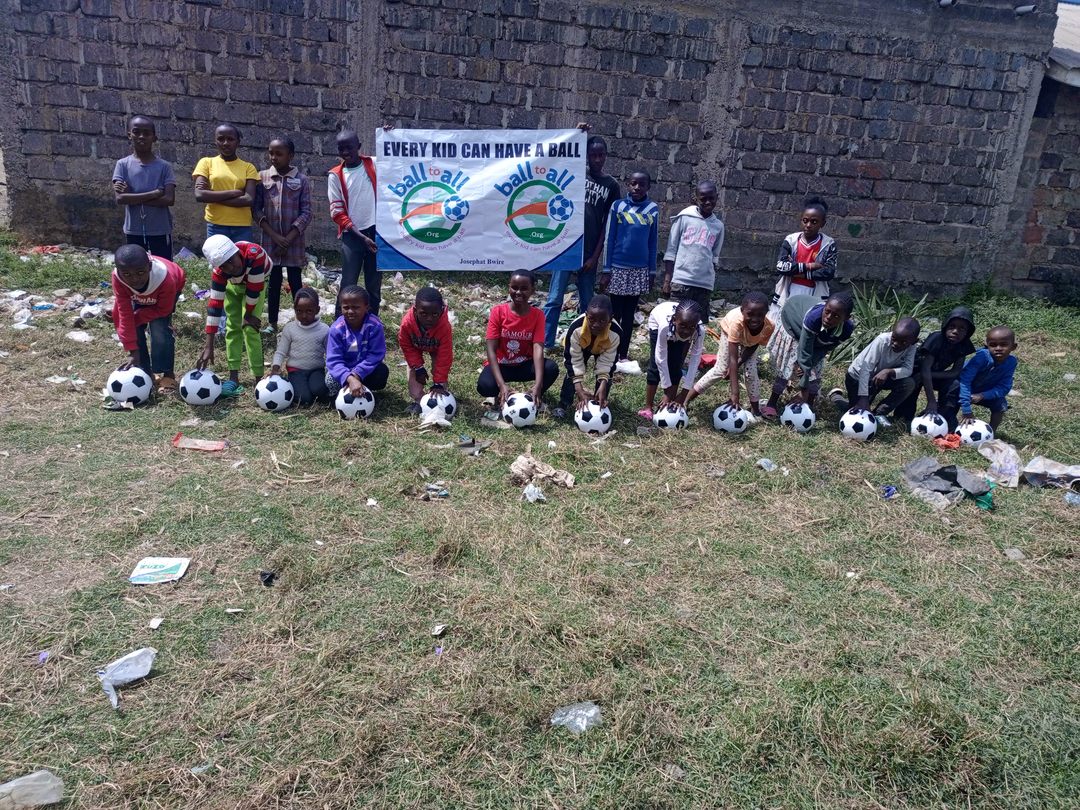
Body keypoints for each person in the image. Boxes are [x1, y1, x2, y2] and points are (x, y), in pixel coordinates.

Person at [543, 133, 620, 349]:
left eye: (601, 155)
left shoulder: (611, 185)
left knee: (588, 303)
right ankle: (546, 342)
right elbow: (561, 156)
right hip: (566, 249)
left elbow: (607, 225)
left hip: (589, 252)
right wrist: (576, 132)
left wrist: (595, 257)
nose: (597, 159)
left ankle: (585, 343)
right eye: (593, 155)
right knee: (554, 298)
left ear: (606, 156)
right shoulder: (575, 174)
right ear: (586, 156)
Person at [197, 234, 273, 397]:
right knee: (232, 326)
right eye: (224, 266)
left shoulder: (255, 255)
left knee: (250, 328)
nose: (231, 268)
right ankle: (233, 377)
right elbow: (215, 305)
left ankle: (258, 378)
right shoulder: (220, 272)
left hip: (257, 282)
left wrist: (248, 315)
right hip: (234, 285)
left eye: (231, 261)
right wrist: (209, 345)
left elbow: (254, 290)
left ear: (237, 252)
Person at [598, 170, 659, 368]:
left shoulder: (652, 209)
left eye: (642, 184)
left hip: (639, 270)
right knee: (615, 314)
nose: (637, 188)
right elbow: (610, 238)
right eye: (633, 183)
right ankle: (610, 351)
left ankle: (623, 354)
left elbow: (652, 242)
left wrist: (651, 271)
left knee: (629, 314)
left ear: (648, 187)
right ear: (628, 184)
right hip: (618, 268)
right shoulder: (618, 206)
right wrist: (606, 270)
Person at [477, 270, 559, 412]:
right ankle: (500, 394)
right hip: (502, 365)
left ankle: (532, 396)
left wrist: (539, 384)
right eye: (514, 287)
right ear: (509, 287)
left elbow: (538, 349)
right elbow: (491, 349)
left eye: (524, 288)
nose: (518, 292)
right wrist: (501, 384)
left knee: (551, 368)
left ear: (533, 290)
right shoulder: (498, 312)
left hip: (524, 365)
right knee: (485, 386)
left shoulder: (538, 315)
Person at [763, 292, 855, 418]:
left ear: (846, 318)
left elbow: (825, 349)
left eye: (836, 316)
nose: (829, 317)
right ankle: (772, 402)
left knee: (815, 368)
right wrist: (803, 389)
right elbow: (804, 351)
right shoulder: (814, 317)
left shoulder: (847, 329)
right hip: (793, 318)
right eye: (827, 311)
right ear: (824, 307)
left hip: (816, 336)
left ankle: (809, 403)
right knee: (788, 365)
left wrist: (810, 365)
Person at [254, 136, 312, 332]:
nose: (274, 157)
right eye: (271, 153)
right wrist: (275, 237)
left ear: (291, 156)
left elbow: (306, 212)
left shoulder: (302, 180)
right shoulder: (262, 177)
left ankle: (301, 322)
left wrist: (287, 239)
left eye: (279, 154)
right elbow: (256, 210)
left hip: (293, 241)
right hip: (271, 241)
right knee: (273, 281)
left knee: (295, 281)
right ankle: (272, 323)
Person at [110, 244, 186, 394]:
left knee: (159, 327)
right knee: (132, 325)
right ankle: (144, 372)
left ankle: (167, 374)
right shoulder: (119, 279)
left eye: (140, 272)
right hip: (140, 295)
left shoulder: (166, 279)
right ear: (119, 271)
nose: (134, 279)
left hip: (170, 289)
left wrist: (138, 318)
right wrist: (132, 351)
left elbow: (163, 310)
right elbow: (124, 313)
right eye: (127, 274)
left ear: (149, 267)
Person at [685, 291, 774, 417]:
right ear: (742, 311)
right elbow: (732, 358)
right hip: (729, 331)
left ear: (766, 313)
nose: (755, 319)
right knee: (720, 369)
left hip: (750, 343)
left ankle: (755, 410)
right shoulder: (736, 322)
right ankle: (687, 398)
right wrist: (735, 394)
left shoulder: (769, 326)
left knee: (751, 372)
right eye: (750, 314)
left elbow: (755, 343)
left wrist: (740, 362)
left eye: (760, 315)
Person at [766, 197, 837, 355]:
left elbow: (828, 272)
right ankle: (776, 354)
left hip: (814, 293)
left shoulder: (828, 244)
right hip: (789, 289)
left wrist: (795, 268)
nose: (808, 225)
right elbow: (781, 266)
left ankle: (800, 355)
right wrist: (809, 266)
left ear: (822, 223)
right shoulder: (791, 240)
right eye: (805, 220)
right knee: (783, 322)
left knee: (806, 323)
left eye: (814, 222)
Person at [895, 307, 976, 429]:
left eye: (962, 328)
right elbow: (924, 369)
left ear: (968, 332)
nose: (955, 331)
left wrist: (931, 375)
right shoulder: (936, 338)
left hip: (933, 374)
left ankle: (944, 415)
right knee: (913, 385)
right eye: (952, 326)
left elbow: (955, 372)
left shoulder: (964, 344)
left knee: (954, 385)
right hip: (915, 372)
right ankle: (903, 418)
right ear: (945, 326)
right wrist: (931, 400)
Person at [328, 129, 381, 317]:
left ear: (358, 146)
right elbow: (337, 212)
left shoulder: (373, 164)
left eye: (349, 147)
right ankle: (339, 323)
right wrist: (360, 236)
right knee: (348, 282)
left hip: (376, 233)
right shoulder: (335, 175)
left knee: (373, 283)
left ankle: (372, 322)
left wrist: (390, 135)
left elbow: (395, 159)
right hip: (352, 235)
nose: (345, 152)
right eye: (341, 149)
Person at [111, 115, 176, 260]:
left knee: (163, 265)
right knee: (135, 265)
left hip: (160, 229)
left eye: (146, 133)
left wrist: (132, 197)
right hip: (133, 229)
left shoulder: (164, 167)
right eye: (136, 132)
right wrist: (154, 193)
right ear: (129, 135)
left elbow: (169, 199)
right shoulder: (122, 165)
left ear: (154, 138)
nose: (141, 136)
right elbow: (120, 198)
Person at [830, 317, 921, 418]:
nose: (896, 344)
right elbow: (866, 368)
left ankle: (878, 414)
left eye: (903, 342)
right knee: (855, 411)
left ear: (914, 341)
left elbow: (908, 369)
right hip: (858, 378)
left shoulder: (911, 346)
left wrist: (888, 371)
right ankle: (835, 397)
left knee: (908, 383)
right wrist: (863, 398)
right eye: (894, 339)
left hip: (880, 379)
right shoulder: (882, 340)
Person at [660, 180, 724, 315]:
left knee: (698, 322)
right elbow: (671, 251)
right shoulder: (684, 218)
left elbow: (714, 257)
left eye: (711, 198)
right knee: (677, 320)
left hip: (704, 285)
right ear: (696, 199)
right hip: (681, 282)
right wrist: (667, 281)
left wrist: (710, 280)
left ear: (717, 197)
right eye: (703, 199)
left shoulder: (718, 226)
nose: (708, 202)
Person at [554, 294, 623, 419]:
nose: (596, 325)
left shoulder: (616, 333)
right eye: (592, 319)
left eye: (602, 321)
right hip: (582, 347)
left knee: (605, 378)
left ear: (610, 319)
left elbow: (608, 362)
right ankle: (563, 404)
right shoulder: (576, 328)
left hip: (603, 349)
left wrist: (603, 384)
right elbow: (573, 360)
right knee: (572, 373)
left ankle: (598, 402)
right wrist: (579, 389)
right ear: (586, 315)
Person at [639, 299, 707, 420]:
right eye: (683, 326)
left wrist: (684, 394)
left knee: (676, 364)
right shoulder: (664, 326)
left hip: (676, 328)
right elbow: (660, 358)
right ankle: (648, 407)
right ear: (675, 320)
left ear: (696, 324)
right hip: (658, 321)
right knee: (655, 367)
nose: (686, 331)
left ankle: (671, 402)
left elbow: (694, 361)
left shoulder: (699, 330)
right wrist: (667, 390)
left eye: (691, 327)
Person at [192, 123, 259, 241]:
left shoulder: (248, 167)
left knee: (242, 254)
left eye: (230, 139)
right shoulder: (206, 163)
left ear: (238, 142)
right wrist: (234, 193)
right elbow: (200, 195)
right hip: (215, 225)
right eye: (221, 139)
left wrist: (212, 195)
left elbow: (248, 199)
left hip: (242, 227)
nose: (225, 143)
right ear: (215, 141)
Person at [325, 285, 389, 401]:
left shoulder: (374, 326)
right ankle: (340, 397)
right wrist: (349, 378)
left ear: (366, 307)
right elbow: (334, 360)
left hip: (364, 369)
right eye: (346, 307)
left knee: (381, 372)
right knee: (330, 381)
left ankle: (364, 390)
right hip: (344, 369)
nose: (350, 311)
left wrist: (357, 374)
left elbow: (376, 354)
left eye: (355, 307)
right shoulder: (336, 329)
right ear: (340, 307)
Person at [270, 288, 330, 407]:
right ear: (294, 310)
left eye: (309, 311)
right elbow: (281, 352)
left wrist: (330, 372)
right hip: (295, 370)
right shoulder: (290, 328)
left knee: (319, 390)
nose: (304, 315)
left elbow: (330, 353)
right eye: (299, 311)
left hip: (316, 370)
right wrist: (275, 368)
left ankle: (314, 391)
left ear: (317, 310)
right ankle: (302, 392)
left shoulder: (324, 329)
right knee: (304, 399)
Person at [398, 286, 454, 415]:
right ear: (415, 310)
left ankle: (440, 402)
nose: (429, 318)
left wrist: (439, 383)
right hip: (415, 347)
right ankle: (420, 402)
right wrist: (418, 367)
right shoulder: (407, 324)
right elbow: (407, 346)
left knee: (440, 384)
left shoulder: (444, 327)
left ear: (441, 310)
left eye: (435, 314)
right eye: (424, 314)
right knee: (415, 390)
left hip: (436, 348)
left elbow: (444, 355)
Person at [956, 326, 1018, 432]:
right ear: (987, 345)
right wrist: (966, 410)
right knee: (950, 399)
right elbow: (965, 381)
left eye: (1003, 344)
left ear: (1013, 347)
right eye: (993, 345)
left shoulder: (1011, 362)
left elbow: (1004, 387)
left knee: (1001, 404)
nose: (998, 348)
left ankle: (991, 432)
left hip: (983, 392)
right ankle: (949, 424)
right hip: (962, 388)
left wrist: (982, 395)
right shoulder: (982, 357)